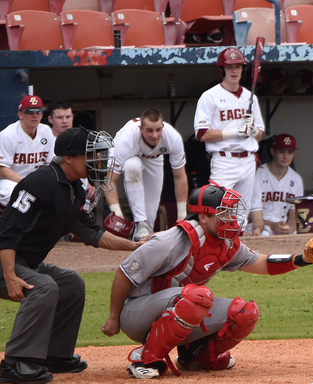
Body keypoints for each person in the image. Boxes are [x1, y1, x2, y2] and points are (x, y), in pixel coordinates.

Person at [101, 184, 313, 379]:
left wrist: (302, 259)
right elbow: (125, 273)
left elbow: (262, 263)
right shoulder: (171, 240)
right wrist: (113, 317)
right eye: (224, 213)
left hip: (178, 306)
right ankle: (145, 359)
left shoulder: (226, 243)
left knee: (244, 313)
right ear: (203, 217)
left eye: (231, 212)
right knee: (197, 297)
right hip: (136, 312)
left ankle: (195, 356)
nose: (231, 218)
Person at [0, 127, 141, 384]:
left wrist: (135, 246)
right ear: (69, 158)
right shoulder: (39, 182)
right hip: (4, 260)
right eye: (91, 155)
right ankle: (15, 363)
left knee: (71, 283)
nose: (98, 161)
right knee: (43, 287)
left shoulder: (73, 188)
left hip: (24, 261)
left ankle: (55, 355)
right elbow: (6, 233)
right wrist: (9, 276)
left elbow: (91, 233)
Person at [194, 47, 264, 228]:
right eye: (230, 67)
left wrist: (252, 131)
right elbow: (201, 133)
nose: (234, 71)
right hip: (224, 160)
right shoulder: (209, 96)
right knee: (218, 209)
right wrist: (235, 132)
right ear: (222, 70)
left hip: (248, 160)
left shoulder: (250, 97)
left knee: (241, 213)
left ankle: (235, 254)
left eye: (238, 67)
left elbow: (260, 135)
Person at [103, 109, 189, 241]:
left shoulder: (172, 137)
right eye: (149, 130)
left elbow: (180, 176)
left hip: (154, 158)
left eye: (158, 130)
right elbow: (109, 180)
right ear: (141, 129)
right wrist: (117, 214)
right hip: (129, 155)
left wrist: (182, 215)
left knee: (150, 216)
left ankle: (143, 233)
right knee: (133, 166)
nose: (155, 135)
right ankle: (140, 222)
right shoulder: (127, 139)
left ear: (163, 127)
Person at [0, 95, 55, 208]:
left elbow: (51, 164)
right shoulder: (8, 135)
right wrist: (28, 184)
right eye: (29, 111)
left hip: (39, 181)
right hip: (12, 181)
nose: (35, 115)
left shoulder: (46, 131)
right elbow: (2, 169)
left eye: (38, 111)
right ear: (20, 114)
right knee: (11, 195)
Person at [44, 100, 97, 209]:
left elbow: (89, 161)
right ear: (50, 119)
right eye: (60, 118)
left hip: (81, 192)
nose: (65, 121)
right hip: (55, 193)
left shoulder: (81, 138)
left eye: (68, 117)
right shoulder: (44, 140)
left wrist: (91, 182)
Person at [250, 133, 304, 236]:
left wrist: (290, 229)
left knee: (299, 234)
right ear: (272, 152)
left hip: (282, 226)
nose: (286, 156)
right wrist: (271, 225)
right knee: (264, 234)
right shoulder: (256, 174)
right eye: (281, 151)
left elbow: (295, 212)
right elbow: (248, 214)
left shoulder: (296, 179)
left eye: (290, 152)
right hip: (259, 226)